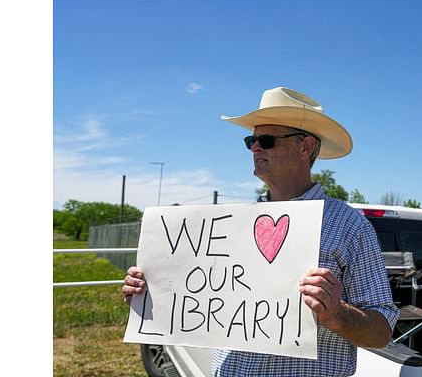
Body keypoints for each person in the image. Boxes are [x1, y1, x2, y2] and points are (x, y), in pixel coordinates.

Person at [122, 87, 399, 376]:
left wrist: (337, 314)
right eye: (251, 140)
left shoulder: (348, 225)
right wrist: (151, 291)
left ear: (305, 147)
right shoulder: (229, 225)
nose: (256, 148)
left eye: (266, 140)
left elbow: (382, 331)